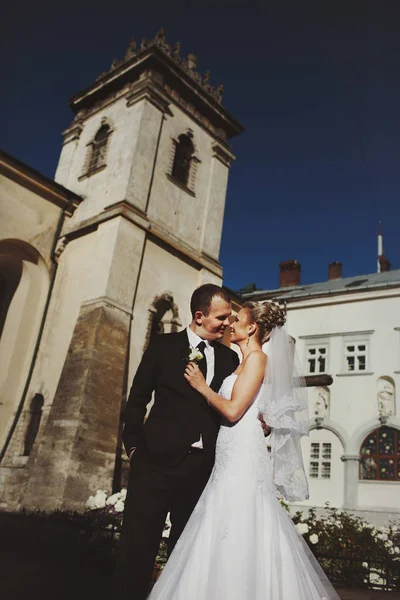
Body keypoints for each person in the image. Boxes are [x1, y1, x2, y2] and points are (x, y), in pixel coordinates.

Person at [148, 301, 340, 600]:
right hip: (228, 452)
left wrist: (202, 387)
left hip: (242, 454)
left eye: (237, 319)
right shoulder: (243, 361)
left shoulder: (257, 360)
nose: (231, 323)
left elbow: (235, 410)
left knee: (239, 520)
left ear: (251, 328)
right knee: (219, 518)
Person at [115, 284, 240, 599]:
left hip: (200, 470)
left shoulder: (228, 359)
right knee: (137, 549)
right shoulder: (163, 345)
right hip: (153, 464)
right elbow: (137, 400)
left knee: (187, 554)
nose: (228, 324)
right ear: (199, 316)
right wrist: (134, 449)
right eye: (222, 317)